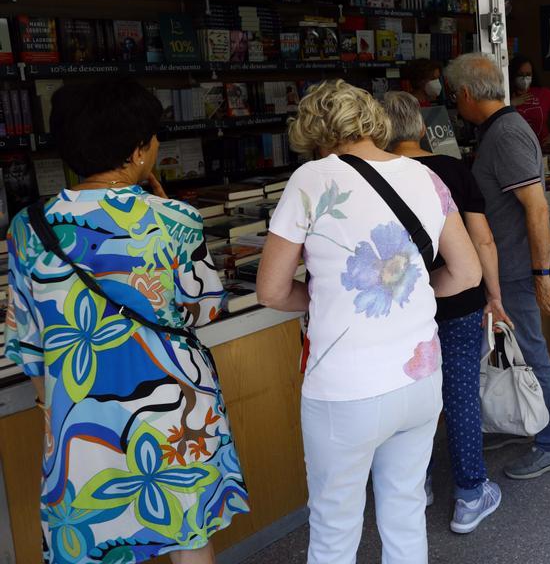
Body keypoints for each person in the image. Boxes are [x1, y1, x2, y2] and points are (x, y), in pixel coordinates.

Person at [3, 79, 249, 564]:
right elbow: (203, 308)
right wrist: (167, 209)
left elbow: (27, 341)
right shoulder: (175, 219)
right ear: (138, 150)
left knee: (94, 538)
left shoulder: (29, 227)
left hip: (80, 417)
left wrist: (50, 412)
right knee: (188, 532)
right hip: (177, 407)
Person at [256, 79, 482, 563]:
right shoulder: (427, 177)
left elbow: (271, 290)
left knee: (335, 528)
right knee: (403, 514)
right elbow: (466, 273)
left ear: (313, 129)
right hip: (419, 377)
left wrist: (323, 301)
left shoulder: (311, 180)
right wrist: (410, 293)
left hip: (345, 389)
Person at [381, 90, 508, 534]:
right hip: (460, 300)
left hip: (404, 307)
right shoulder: (454, 170)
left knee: (409, 399)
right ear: (421, 127)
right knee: (459, 394)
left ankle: (418, 487)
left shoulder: (372, 177)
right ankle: (471, 494)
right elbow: (483, 239)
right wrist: (494, 296)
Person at [443, 53, 550, 479]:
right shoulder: (499, 130)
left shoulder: (507, 134)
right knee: (508, 351)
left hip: (516, 267)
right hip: (506, 266)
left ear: (464, 93)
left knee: (531, 352)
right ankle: (522, 422)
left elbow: (535, 207)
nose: (452, 103)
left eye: (451, 95)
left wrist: (541, 273)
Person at [509, 55, 550, 145]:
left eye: (528, 74)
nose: (524, 78)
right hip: (516, 148)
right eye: (520, 74)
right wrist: (511, 104)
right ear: (512, 75)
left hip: (542, 148)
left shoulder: (543, 93)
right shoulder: (505, 95)